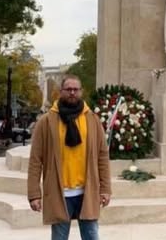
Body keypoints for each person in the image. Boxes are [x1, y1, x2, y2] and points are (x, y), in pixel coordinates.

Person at [28, 75, 111, 240]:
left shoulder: (92, 120)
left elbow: (102, 156)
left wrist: (105, 189)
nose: (72, 92)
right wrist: (34, 194)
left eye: (75, 89)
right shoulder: (46, 122)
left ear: (81, 92)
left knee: (91, 236)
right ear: (61, 92)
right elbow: (35, 160)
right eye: (68, 89)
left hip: (87, 192)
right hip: (59, 193)